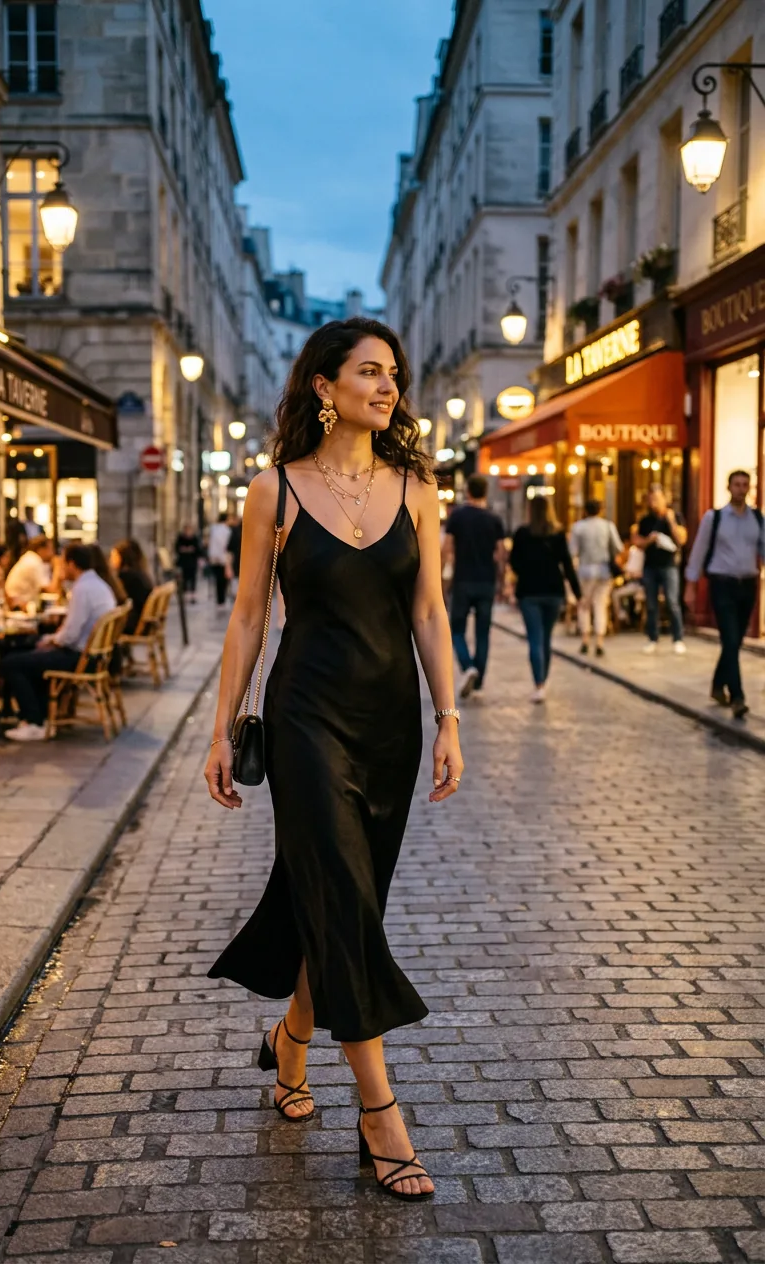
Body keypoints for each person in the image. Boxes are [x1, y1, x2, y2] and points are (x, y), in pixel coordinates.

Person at [205, 317, 463, 1202]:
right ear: (325, 385)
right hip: (306, 717)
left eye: (394, 375)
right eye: (370, 372)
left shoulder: (417, 489)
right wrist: (222, 726)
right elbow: (248, 614)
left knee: (339, 899)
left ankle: (291, 1042)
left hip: (390, 724)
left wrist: (449, 718)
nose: (388, 387)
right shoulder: (272, 490)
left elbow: (429, 611)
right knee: (345, 899)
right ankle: (381, 1114)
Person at [1, 543, 116, 742]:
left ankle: (35, 722)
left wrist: (51, 641)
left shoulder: (82, 589)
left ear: (72, 564)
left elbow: (70, 635)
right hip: (95, 656)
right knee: (32, 654)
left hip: (80, 657)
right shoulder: (98, 585)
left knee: (12, 663)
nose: (61, 567)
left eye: (63, 563)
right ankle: (42, 716)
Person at [685, 470, 765, 719]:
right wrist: (690, 585)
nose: (741, 489)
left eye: (745, 485)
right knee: (730, 639)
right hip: (722, 584)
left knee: (735, 641)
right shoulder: (715, 517)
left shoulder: (757, 519)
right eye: (737, 484)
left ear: (749, 488)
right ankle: (737, 697)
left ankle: (718, 685)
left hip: (747, 585)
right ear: (728, 487)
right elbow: (699, 550)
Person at [510, 497, 581, 703]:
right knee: (546, 639)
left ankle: (539, 684)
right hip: (553, 591)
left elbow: (514, 562)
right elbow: (567, 564)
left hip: (529, 591)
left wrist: (526, 570)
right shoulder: (557, 533)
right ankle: (543, 681)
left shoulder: (522, 533)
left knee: (535, 638)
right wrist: (577, 592)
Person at [441, 474, 505, 698]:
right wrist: (502, 581)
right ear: (485, 492)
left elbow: (447, 549)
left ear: (468, 491)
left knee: (457, 630)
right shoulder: (494, 519)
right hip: (486, 581)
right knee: (482, 633)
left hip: (463, 580)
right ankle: (478, 684)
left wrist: (441, 577)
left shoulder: (457, 516)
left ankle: (468, 666)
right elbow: (500, 553)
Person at [635, 485, 687, 654]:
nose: (654, 502)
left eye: (657, 499)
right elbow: (637, 543)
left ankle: (678, 638)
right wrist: (649, 540)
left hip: (669, 565)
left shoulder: (675, 516)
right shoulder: (645, 520)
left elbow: (682, 540)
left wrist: (671, 522)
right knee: (651, 604)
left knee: (672, 602)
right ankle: (653, 638)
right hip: (650, 566)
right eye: (651, 499)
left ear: (665, 499)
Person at [569, 500, 623, 658]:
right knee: (600, 605)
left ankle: (585, 640)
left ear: (585, 511)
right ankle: (599, 642)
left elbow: (572, 551)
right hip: (603, 570)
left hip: (585, 570)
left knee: (584, 605)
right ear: (600, 510)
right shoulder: (607, 526)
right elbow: (618, 547)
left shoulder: (578, 527)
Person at [5, 535, 62, 610]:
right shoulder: (33, 562)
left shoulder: (32, 559)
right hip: (17, 608)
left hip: (23, 606)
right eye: (51, 549)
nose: (53, 553)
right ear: (41, 549)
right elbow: (51, 590)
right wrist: (58, 567)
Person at [110, 539, 153, 635]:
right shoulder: (140, 573)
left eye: (114, 556)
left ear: (122, 557)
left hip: (133, 624)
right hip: (144, 622)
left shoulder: (126, 576)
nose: (111, 560)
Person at [611, 528, 646, 627]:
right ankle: (622, 616)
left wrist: (634, 574)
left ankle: (627, 617)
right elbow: (628, 568)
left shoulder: (645, 553)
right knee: (615, 593)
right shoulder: (632, 551)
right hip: (630, 582)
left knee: (620, 595)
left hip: (640, 584)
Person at [206, 513, 232, 607]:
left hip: (214, 556)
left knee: (218, 579)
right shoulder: (226, 530)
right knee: (222, 579)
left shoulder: (214, 528)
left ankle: (220, 599)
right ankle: (221, 599)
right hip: (222, 557)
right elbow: (224, 544)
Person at [174, 523, 202, 603]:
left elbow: (198, 550)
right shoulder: (180, 538)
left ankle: (192, 594)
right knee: (184, 578)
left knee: (193, 578)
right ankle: (185, 594)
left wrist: (188, 550)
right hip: (183, 562)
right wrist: (187, 549)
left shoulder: (194, 538)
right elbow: (178, 548)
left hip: (192, 561)